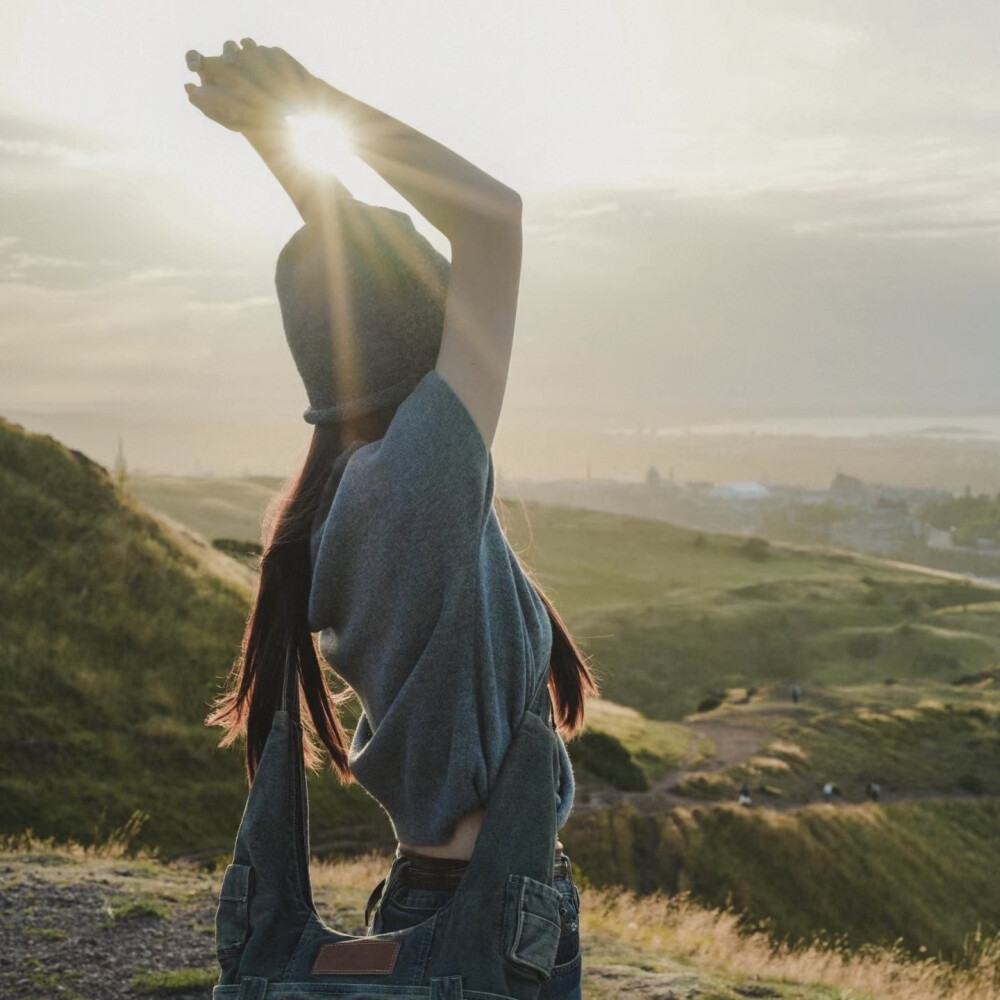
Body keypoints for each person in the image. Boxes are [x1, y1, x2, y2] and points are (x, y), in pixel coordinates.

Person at [186, 39, 596, 998]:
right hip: (476, 924)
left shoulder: (348, 493)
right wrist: (311, 100)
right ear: (428, 325)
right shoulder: (420, 482)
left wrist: (280, 140)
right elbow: (495, 217)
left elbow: (350, 310)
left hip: (449, 898)